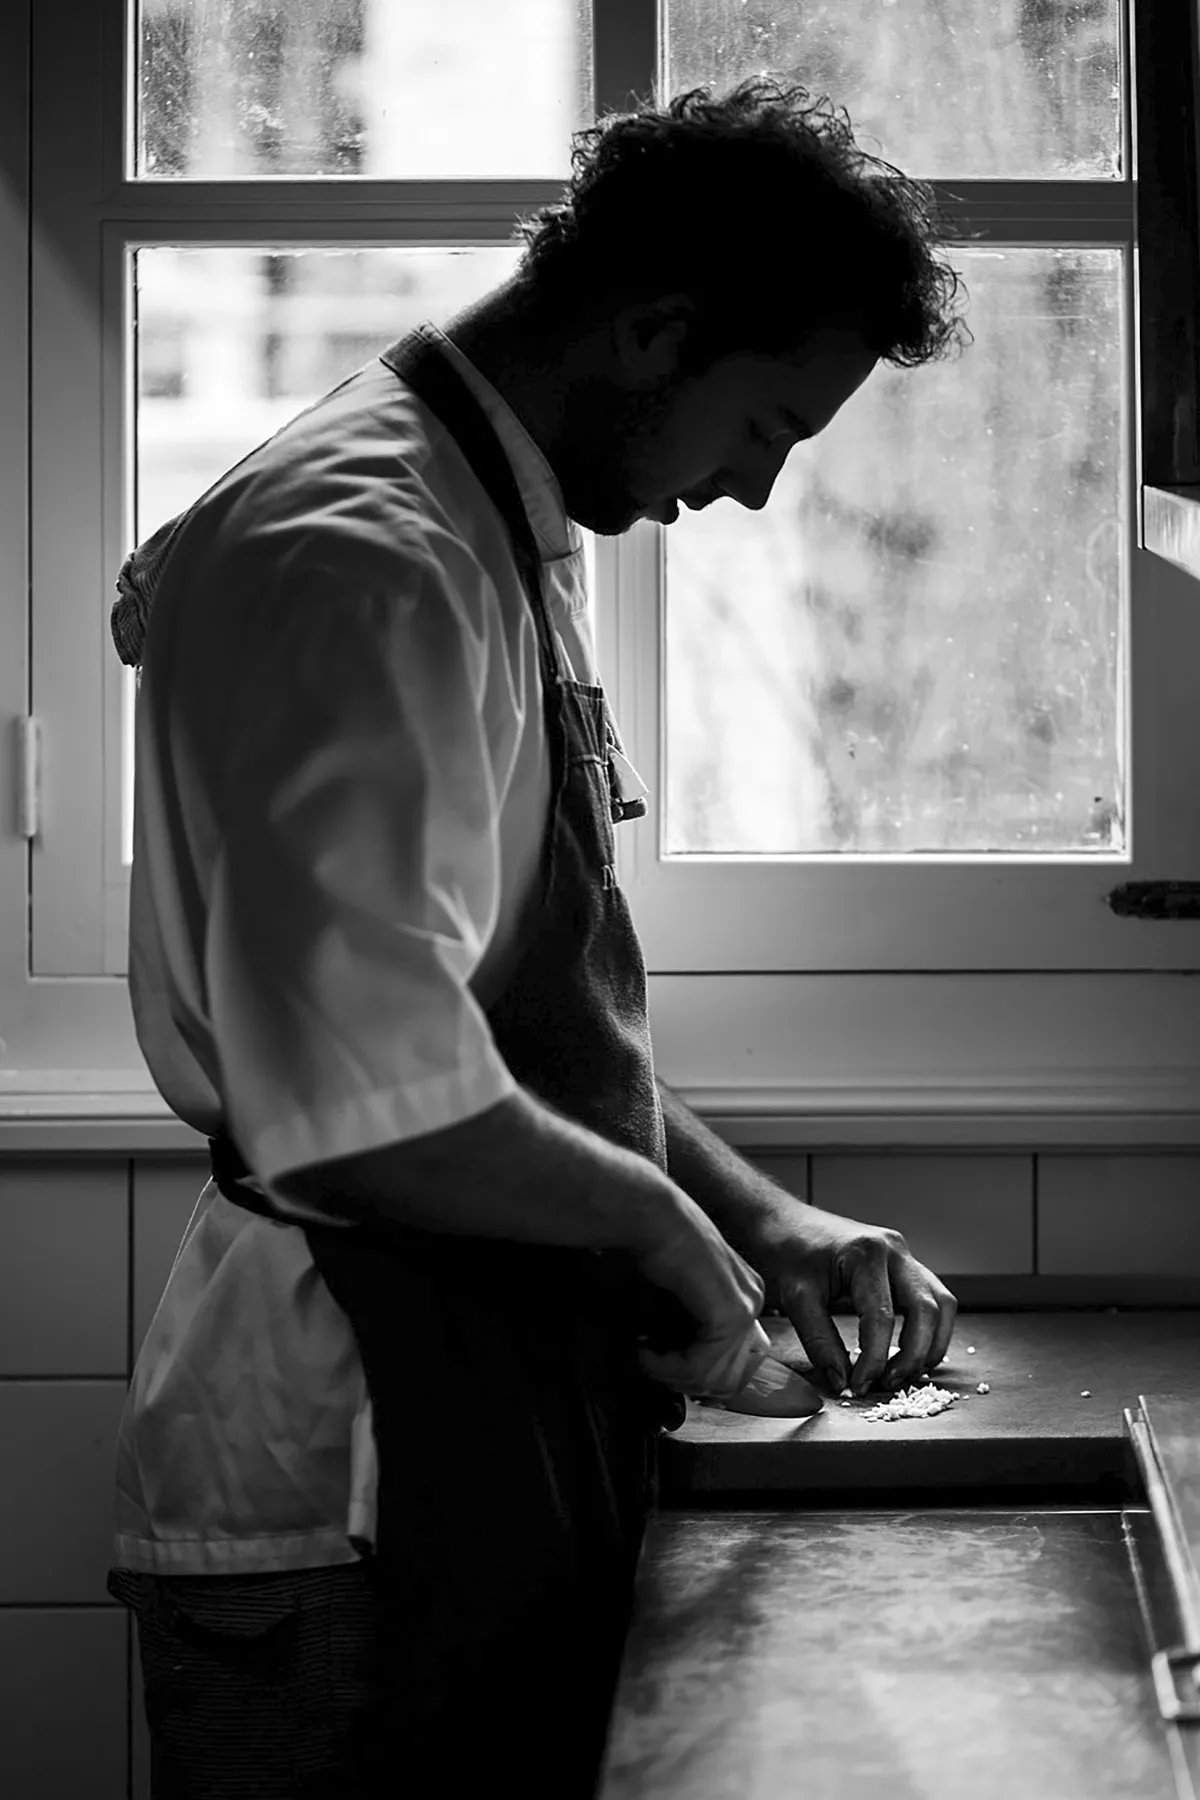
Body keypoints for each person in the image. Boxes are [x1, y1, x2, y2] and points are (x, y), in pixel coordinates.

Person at [105, 77, 967, 1800]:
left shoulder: (484, 509)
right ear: (657, 332)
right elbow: (368, 1103)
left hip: (469, 1397)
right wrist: (660, 1224)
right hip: (346, 1464)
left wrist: (759, 1212)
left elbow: (501, 1016)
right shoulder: (367, 552)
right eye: (768, 427)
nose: (751, 494)